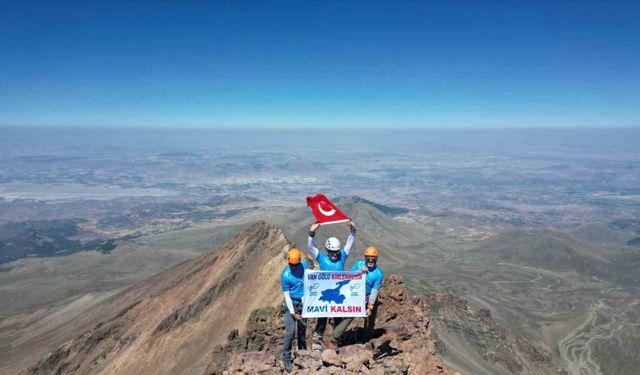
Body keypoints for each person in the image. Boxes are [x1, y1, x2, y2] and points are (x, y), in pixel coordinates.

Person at [307, 219, 356, 349]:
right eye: (331, 252)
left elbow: (350, 242)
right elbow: (311, 247)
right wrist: (311, 233)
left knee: (338, 319)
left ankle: (337, 341)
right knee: (322, 319)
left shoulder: (342, 257)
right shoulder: (321, 257)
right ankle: (317, 342)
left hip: (338, 293)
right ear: (327, 250)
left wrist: (353, 230)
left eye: (336, 252)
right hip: (325, 294)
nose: (334, 254)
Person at [329, 246, 384, 349]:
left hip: (369, 299)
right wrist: (359, 272)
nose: (370, 261)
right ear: (365, 258)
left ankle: (366, 342)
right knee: (348, 318)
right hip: (356, 297)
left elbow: (374, 290)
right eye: (368, 259)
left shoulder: (378, 274)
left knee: (370, 322)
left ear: (376, 259)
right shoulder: (359, 264)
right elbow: (348, 277)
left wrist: (370, 306)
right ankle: (334, 339)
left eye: (373, 259)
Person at [280, 248, 308, 372]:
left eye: (296, 265)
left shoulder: (305, 266)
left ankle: (302, 354)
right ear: (288, 262)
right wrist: (292, 313)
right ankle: (286, 356)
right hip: (290, 304)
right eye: (291, 264)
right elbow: (287, 296)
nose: (293, 267)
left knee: (302, 330)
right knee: (290, 332)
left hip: (303, 304)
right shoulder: (285, 275)